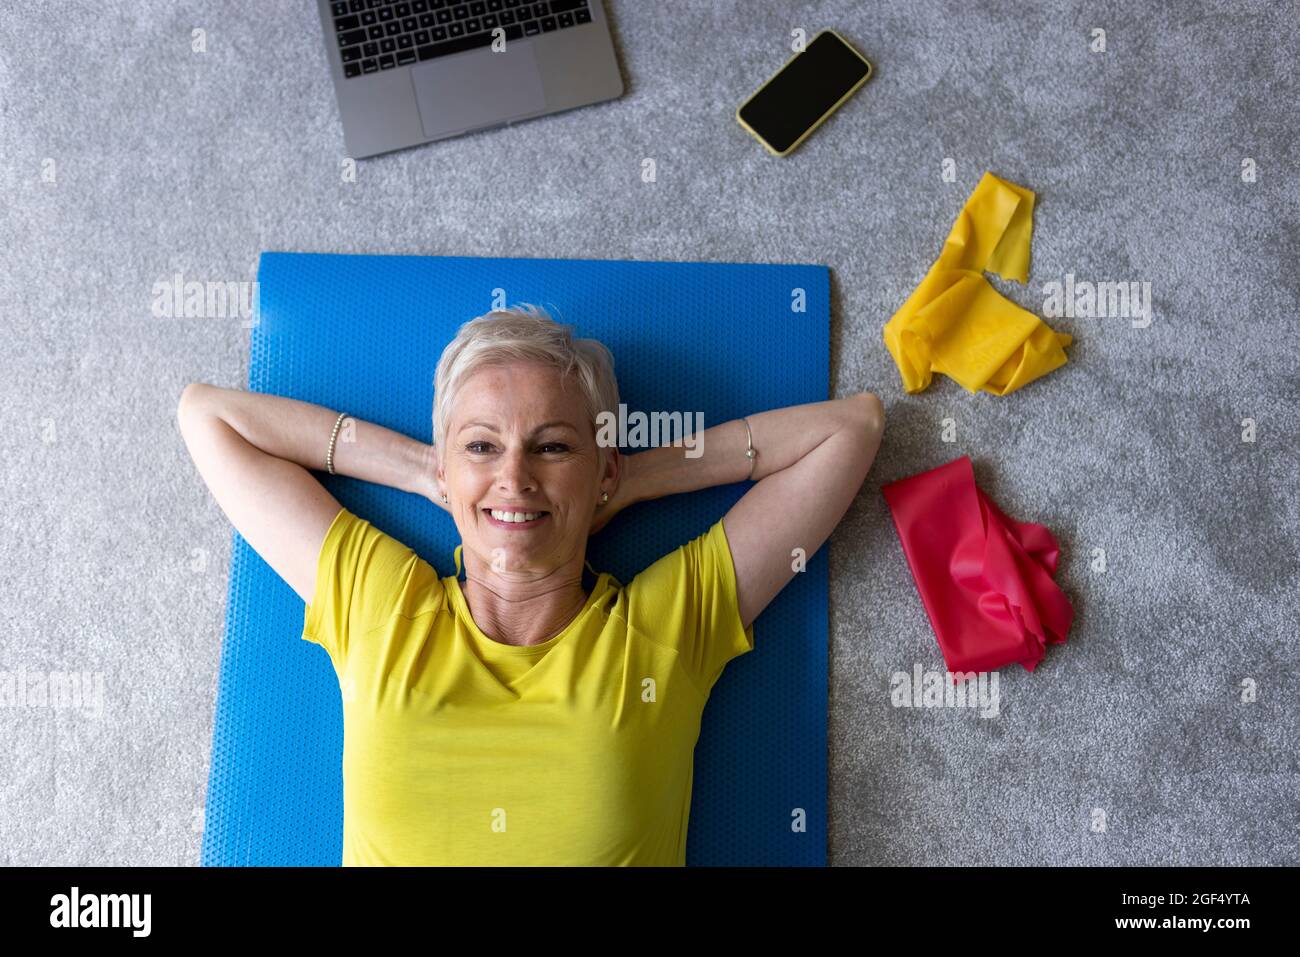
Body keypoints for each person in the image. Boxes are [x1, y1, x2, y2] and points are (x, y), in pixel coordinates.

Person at [177, 304, 885, 865]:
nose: (514, 476)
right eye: (483, 444)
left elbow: (851, 428)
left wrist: (632, 478)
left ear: (600, 467)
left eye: (552, 446)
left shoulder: (663, 630)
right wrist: (431, 472)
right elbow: (207, 416)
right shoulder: (381, 605)